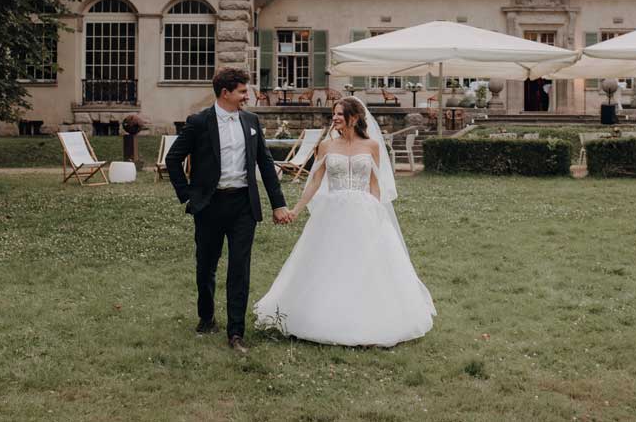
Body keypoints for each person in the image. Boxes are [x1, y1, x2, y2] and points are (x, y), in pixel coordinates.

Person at [254, 97, 435, 347]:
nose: (335, 118)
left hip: (364, 210)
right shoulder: (327, 146)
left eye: (340, 114)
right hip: (333, 211)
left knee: (365, 264)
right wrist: (296, 209)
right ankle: (320, 315)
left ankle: (368, 319)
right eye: (334, 114)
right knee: (328, 261)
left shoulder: (371, 146)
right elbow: (315, 182)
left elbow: (374, 184)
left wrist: (377, 213)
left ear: (355, 117)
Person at [166, 67, 289, 354]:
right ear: (226, 93)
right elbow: (173, 159)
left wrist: (278, 203)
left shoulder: (251, 121)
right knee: (206, 265)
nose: (248, 96)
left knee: (239, 269)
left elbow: (265, 164)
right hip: (209, 205)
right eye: (243, 91)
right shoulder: (199, 122)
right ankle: (206, 318)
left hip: (243, 206)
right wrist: (187, 196)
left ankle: (236, 332)